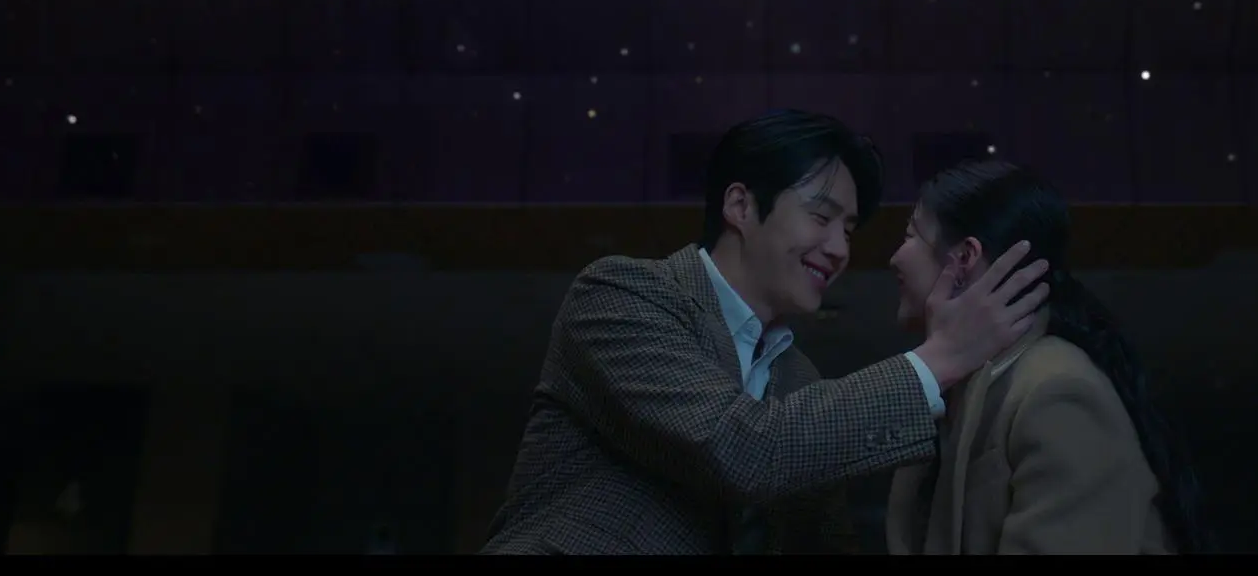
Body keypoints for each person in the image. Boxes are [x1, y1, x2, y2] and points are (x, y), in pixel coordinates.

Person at [481, 110, 1049, 554]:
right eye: (821, 217)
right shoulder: (623, 295)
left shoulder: (799, 380)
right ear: (740, 205)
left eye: (849, 230)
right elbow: (740, 448)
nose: (839, 249)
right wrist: (939, 358)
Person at [883, 158, 1209, 555]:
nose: (895, 257)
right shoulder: (958, 390)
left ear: (964, 257)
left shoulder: (1056, 390)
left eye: (911, 236)